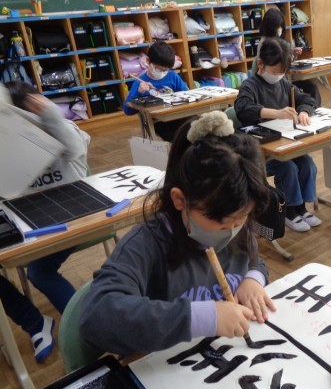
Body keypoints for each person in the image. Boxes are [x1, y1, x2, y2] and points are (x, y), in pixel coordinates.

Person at [79, 111, 276, 355]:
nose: (233, 230)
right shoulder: (147, 243)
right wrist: (203, 317)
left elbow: (253, 259)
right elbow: (96, 317)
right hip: (167, 363)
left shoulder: (234, 221)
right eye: (223, 223)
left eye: (242, 218)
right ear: (180, 200)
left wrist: (254, 278)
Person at [0, 81, 90, 362]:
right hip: (33, 219)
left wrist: (49, 114)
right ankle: (35, 323)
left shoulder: (63, 127)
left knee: (39, 273)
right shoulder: (8, 141)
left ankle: (85, 326)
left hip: (75, 214)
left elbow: (75, 149)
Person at [235, 37, 322, 233]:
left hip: (284, 143)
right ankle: (289, 210)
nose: (278, 76)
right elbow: (242, 108)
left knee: (307, 163)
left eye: (282, 72)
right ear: (261, 64)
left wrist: (304, 111)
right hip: (261, 152)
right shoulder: (250, 86)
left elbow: (307, 99)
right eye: (275, 71)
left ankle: (301, 208)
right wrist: (275, 113)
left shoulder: (283, 83)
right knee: (288, 167)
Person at [124, 41, 188, 142]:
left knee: (195, 124)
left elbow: (187, 96)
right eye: (159, 69)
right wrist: (138, 92)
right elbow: (127, 111)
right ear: (147, 60)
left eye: (165, 70)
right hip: (158, 122)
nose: (163, 73)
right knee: (178, 135)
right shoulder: (140, 82)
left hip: (176, 115)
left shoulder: (173, 76)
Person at [258, 7, 321, 105]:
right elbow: (275, 66)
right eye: (278, 27)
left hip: (284, 79)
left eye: (281, 26)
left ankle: (313, 110)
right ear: (271, 27)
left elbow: (285, 62)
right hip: (276, 83)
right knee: (308, 90)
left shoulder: (280, 40)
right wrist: (287, 62)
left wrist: (293, 54)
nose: (280, 29)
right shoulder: (264, 44)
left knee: (312, 88)